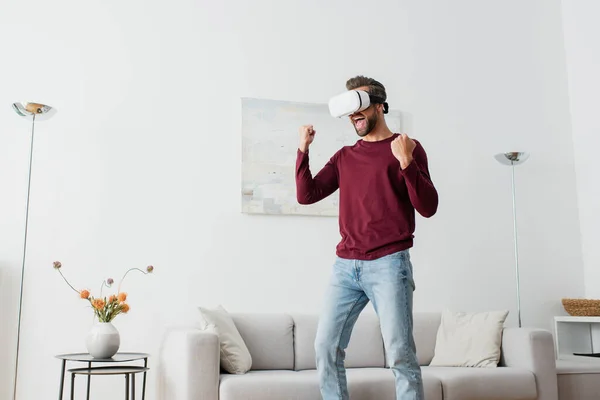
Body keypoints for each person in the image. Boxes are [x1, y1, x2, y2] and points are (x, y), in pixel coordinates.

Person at [295, 75, 438, 400]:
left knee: (400, 353)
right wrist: (303, 149)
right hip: (345, 267)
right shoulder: (346, 156)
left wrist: (406, 162)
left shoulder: (407, 147)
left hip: (389, 265)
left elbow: (428, 207)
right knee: (325, 347)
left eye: (358, 105)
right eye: (349, 109)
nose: (353, 115)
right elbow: (307, 194)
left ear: (379, 105)